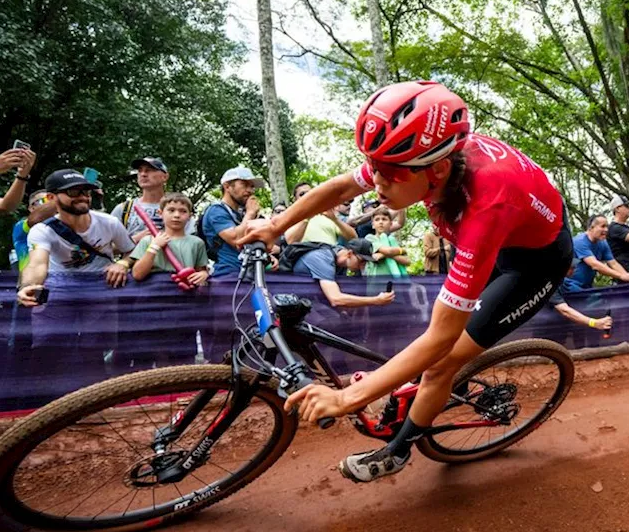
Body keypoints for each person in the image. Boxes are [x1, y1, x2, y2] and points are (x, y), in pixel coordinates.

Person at [241, 80, 572, 482]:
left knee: (440, 362)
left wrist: (347, 397)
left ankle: (398, 450)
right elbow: (345, 185)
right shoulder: (418, 158)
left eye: (388, 175)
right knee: (431, 350)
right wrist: (276, 225)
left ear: (438, 169)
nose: (375, 184)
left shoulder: (486, 205)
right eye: (374, 168)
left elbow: (440, 337)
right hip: (506, 234)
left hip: (534, 263)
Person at [16, 169, 137, 306]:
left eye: (86, 191)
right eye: (73, 192)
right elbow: (37, 264)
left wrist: (123, 264)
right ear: (51, 198)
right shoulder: (42, 230)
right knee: (48, 325)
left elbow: (132, 250)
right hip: (59, 294)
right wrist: (29, 288)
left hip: (101, 294)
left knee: (102, 328)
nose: (83, 197)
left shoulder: (109, 222)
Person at [128, 193, 210, 286]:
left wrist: (203, 275)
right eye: (171, 210)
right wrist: (154, 247)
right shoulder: (148, 240)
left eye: (183, 211)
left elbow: (201, 271)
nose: (177, 215)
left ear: (189, 216)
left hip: (184, 294)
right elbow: (138, 274)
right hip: (153, 292)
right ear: (160, 213)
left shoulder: (197, 243)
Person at [201, 167, 265, 276]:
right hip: (228, 275)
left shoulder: (242, 214)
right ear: (227, 186)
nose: (250, 190)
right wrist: (250, 213)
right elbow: (237, 239)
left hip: (251, 274)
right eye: (244, 185)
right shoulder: (216, 211)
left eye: (252, 186)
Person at [109, 157, 175, 242]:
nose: (143, 174)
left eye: (149, 170)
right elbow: (104, 247)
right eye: (140, 171)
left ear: (165, 177)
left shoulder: (178, 208)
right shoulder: (124, 209)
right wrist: (136, 239)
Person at [567, 215, 629, 290]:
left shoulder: (603, 243)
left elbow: (613, 263)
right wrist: (621, 276)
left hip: (586, 287)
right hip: (570, 285)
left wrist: (628, 276)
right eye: (603, 226)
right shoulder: (580, 242)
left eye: (607, 227)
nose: (606, 230)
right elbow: (595, 265)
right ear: (591, 227)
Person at [10, 190, 58, 271]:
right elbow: (35, 219)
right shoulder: (20, 226)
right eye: (44, 200)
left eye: (51, 199)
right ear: (31, 208)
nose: (49, 203)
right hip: (31, 280)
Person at [364, 210, 410, 277]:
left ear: (391, 224)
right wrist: (402, 250)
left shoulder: (392, 240)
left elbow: (407, 261)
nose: (381, 222)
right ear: (373, 225)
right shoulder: (370, 238)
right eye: (377, 220)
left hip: (394, 283)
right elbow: (388, 251)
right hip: (376, 282)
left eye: (384, 219)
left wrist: (383, 255)